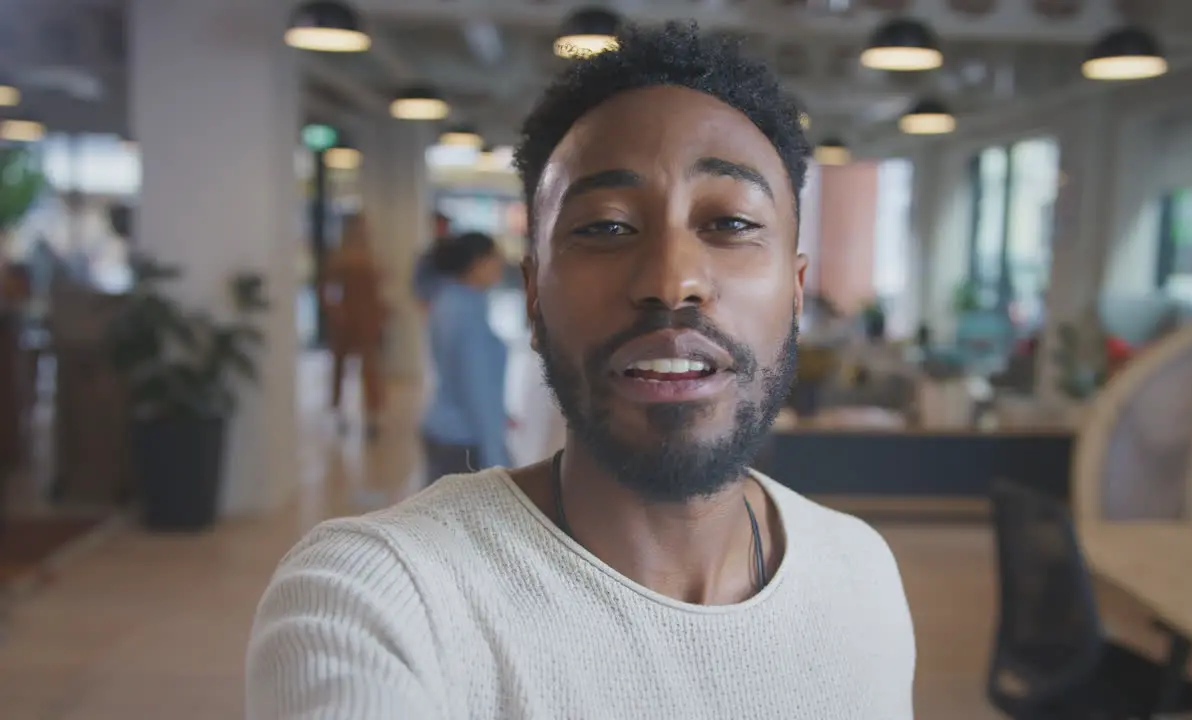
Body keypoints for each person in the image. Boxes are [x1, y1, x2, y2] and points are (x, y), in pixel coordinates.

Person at [247, 23, 915, 719]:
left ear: (797, 289)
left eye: (731, 223)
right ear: (534, 293)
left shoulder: (860, 572)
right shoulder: (383, 599)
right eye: (606, 226)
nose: (671, 280)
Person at [418, 231, 510, 483]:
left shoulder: (447, 299)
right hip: (463, 440)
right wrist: (496, 458)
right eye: (494, 257)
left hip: (444, 429)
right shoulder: (466, 313)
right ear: (476, 262)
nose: (500, 264)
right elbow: (475, 386)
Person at [320, 212, 387, 438]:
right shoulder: (339, 256)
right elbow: (326, 290)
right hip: (346, 320)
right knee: (341, 368)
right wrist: (336, 313)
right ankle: (339, 412)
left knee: (371, 370)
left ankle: (373, 416)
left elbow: (378, 288)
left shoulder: (371, 254)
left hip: (368, 320)